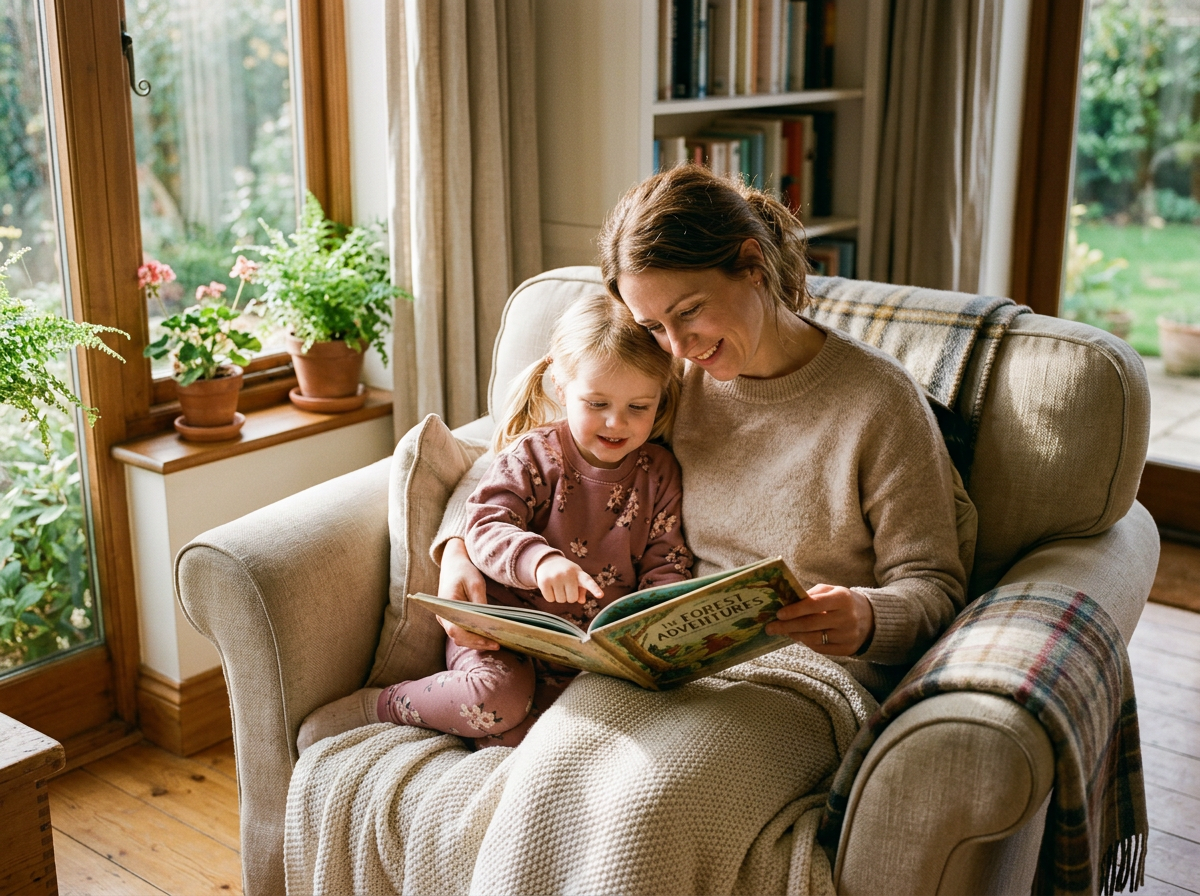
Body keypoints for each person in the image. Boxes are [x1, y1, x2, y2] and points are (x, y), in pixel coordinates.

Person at [437, 164, 971, 700]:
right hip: (662, 669)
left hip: (810, 681)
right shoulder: (664, 382)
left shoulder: (878, 399)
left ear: (753, 265)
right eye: (653, 327)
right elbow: (523, 453)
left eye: (689, 311)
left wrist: (867, 617)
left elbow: (935, 586)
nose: (678, 346)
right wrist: (459, 546)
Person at [356, 294, 693, 750]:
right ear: (560, 385)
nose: (617, 422)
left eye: (639, 407)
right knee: (496, 700)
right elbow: (484, 525)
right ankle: (379, 706)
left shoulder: (659, 472)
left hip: (586, 658)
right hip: (502, 640)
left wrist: (660, 623)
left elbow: (667, 562)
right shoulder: (535, 455)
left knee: (522, 741)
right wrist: (539, 562)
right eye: (596, 403)